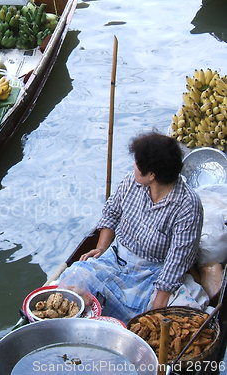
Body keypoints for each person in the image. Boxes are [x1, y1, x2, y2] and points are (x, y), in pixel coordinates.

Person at [57, 131, 205, 322]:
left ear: (151, 175)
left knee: (151, 318)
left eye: (137, 163)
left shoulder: (188, 206)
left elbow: (178, 260)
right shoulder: (131, 182)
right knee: (74, 276)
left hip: (152, 273)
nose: (133, 166)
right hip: (116, 257)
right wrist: (101, 248)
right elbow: (111, 213)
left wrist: (158, 304)